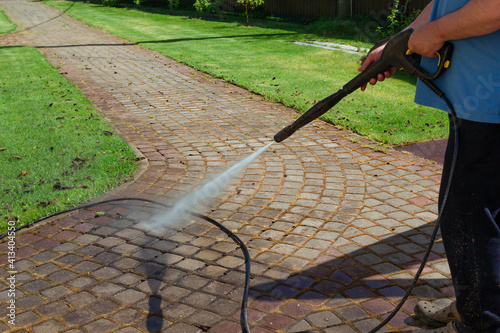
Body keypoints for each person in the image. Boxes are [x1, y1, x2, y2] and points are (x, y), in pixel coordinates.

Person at [359, 0, 500, 332]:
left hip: (487, 101)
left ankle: (482, 322)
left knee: (470, 218)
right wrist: (402, 40)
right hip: (480, 97)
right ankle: (479, 306)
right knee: (488, 212)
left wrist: (434, 33)